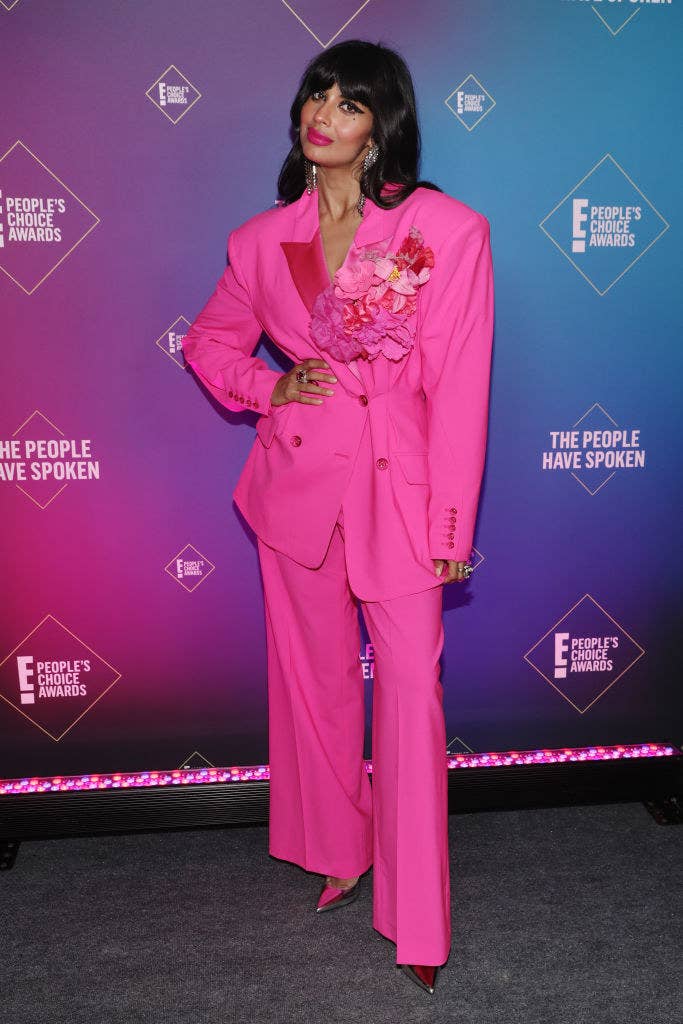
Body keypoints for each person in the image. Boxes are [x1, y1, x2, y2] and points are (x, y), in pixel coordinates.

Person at [181, 39, 494, 995]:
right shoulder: (256, 240)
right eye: (318, 93)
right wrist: (268, 389)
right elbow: (208, 343)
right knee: (315, 691)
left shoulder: (444, 229)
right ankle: (340, 851)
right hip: (298, 486)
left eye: (351, 102)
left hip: (400, 492)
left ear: (381, 125)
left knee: (407, 693)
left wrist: (448, 530)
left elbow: (458, 387)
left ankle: (419, 920)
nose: (325, 113)